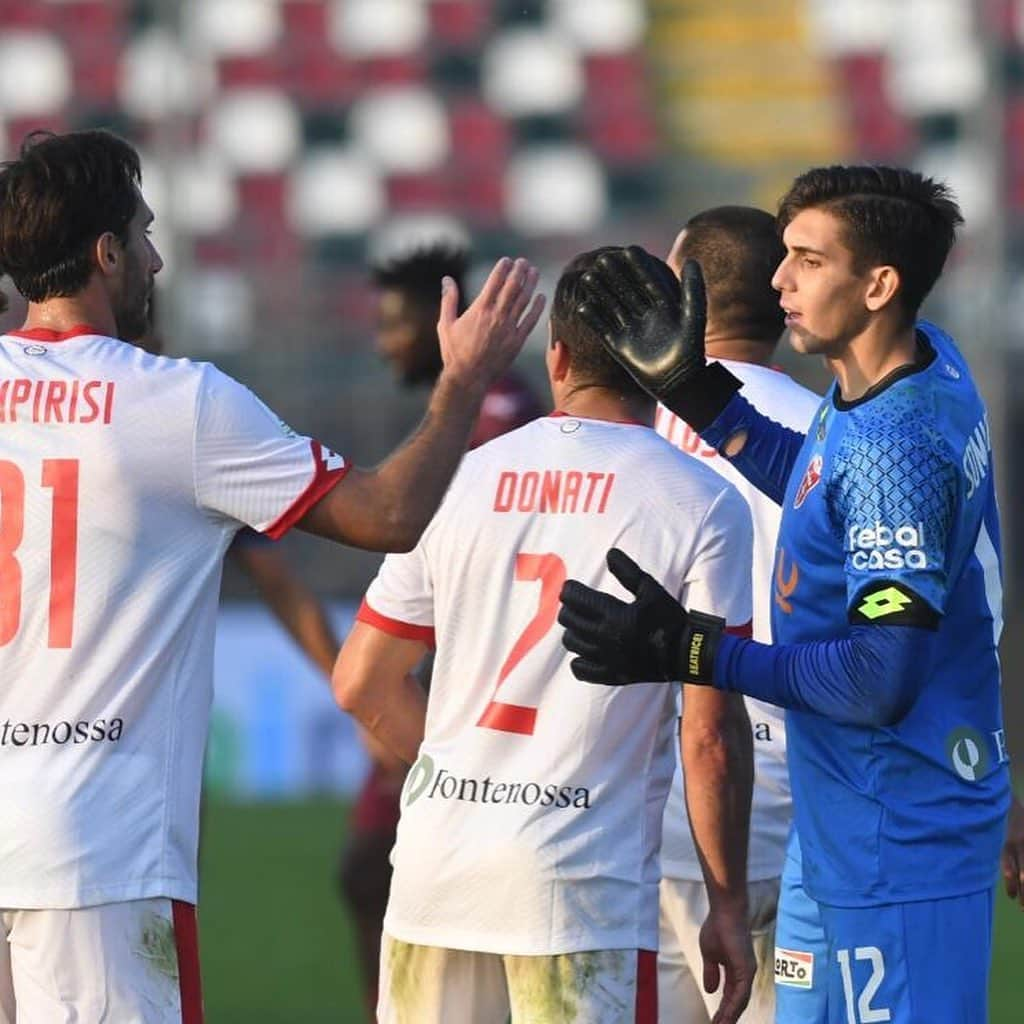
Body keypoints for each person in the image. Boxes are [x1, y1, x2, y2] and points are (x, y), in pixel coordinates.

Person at [0, 128, 543, 1023]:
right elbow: (386, 517)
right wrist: (461, 383)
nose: (157, 258)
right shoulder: (178, 403)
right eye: (142, 235)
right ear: (105, 254)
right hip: (92, 851)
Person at [559, 166, 1010, 1023]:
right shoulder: (909, 368)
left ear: (879, 285)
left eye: (806, 258)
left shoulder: (894, 450)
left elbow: (881, 678)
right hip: (835, 827)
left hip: (896, 836)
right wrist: (691, 391)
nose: (777, 280)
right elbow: (814, 481)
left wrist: (692, 652)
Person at [333, 246, 758, 1024]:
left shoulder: (458, 477)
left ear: (557, 356)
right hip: (578, 887)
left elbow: (361, 681)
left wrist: (457, 780)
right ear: (665, 362)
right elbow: (710, 738)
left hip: (437, 871)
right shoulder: (700, 501)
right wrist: (725, 904)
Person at [333, 243, 547, 1019]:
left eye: (396, 324)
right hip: (435, 679)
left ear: (440, 323)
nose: (385, 341)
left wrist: (407, 686)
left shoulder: (494, 421)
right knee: (368, 873)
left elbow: (473, 569)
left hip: (471, 697)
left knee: (380, 872)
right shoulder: (477, 414)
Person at [654, 208, 820, 1024]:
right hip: (787, 813)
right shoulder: (836, 436)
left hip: (641, 814)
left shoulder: (631, 428)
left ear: (680, 285)